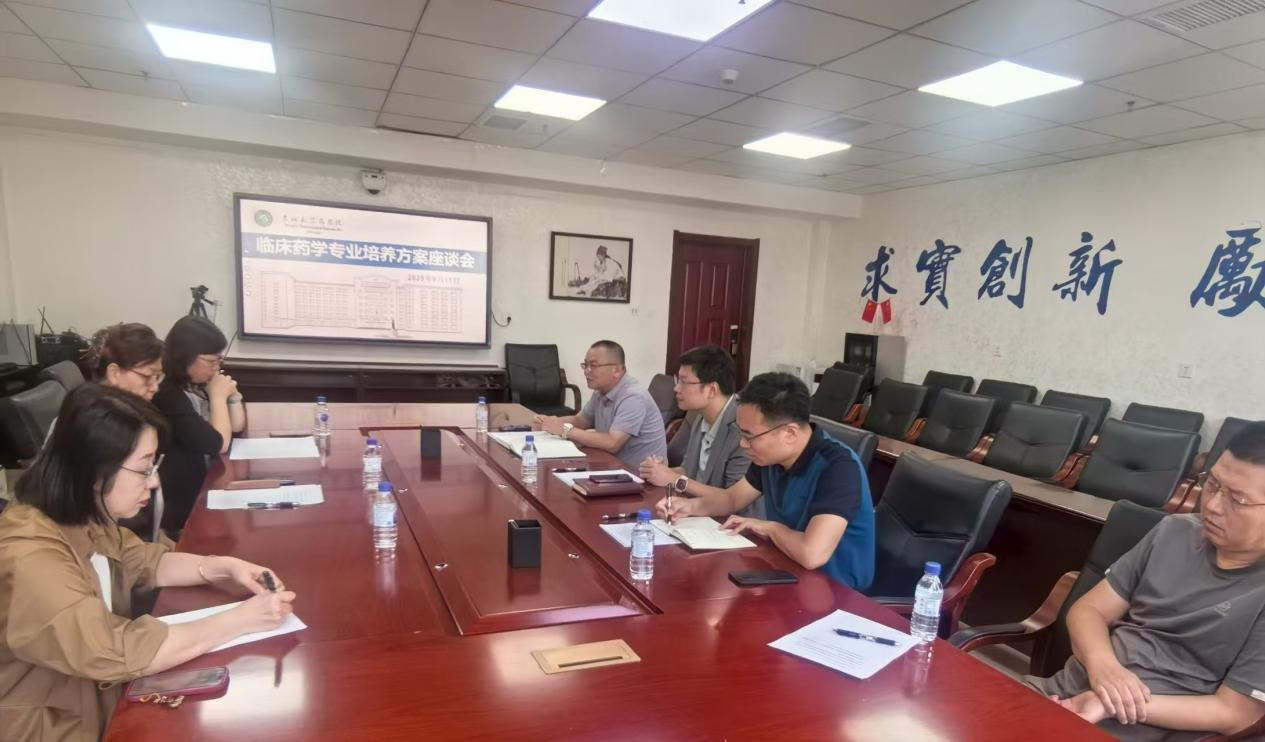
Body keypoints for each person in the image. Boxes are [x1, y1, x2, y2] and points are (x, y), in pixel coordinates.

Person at [0, 384, 295, 741]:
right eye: (143, 469)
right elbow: (113, 650)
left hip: (99, 699)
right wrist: (240, 620)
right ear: (93, 470)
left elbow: (144, 561)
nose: (154, 481)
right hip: (55, 725)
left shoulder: (82, 512)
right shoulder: (30, 555)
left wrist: (224, 567)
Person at [1039, 421, 1265, 741]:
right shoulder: (1174, 531)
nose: (1213, 506)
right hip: (1060, 696)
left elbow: (1235, 714)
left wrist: (1109, 702)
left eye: (1238, 500)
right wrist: (1104, 667)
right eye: (1212, 484)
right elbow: (1088, 610)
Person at [654, 372, 874, 589]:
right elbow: (732, 499)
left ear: (789, 433)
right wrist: (689, 507)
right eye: (741, 434)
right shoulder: (771, 457)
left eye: (749, 436)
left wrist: (770, 528)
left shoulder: (839, 467)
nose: (743, 444)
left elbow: (812, 554)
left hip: (836, 591)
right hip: (785, 572)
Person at [639, 345, 757, 516]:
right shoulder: (699, 415)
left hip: (731, 521)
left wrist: (675, 480)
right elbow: (689, 470)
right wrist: (659, 471)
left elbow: (734, 499)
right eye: (677, 380)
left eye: (684, 382)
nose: (676, 388)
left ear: (712, 390)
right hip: (696, 511)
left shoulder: (743, 427)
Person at [152, 316, 245, 532]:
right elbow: (218, 443)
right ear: (185, 356)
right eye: (211, 361)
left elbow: (237, 428)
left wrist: (232, 397)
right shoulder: (167, 393)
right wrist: (218, 396)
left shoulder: (194, 384)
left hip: (204, 481)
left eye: (219, 360)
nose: (216, 367)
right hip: (183, 500)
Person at [83, 323, 168, 542]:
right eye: (147, 377)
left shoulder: (133, 417)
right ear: (114, 373)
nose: (155, 387)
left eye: (158, 377)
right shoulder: (89, 424)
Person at [534, 340, 666, 469]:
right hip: (610, 465)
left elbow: (612, 443)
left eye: (593, 366)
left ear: (617, 370)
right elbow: (580, 420)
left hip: (640, 476)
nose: (587, 371)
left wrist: (565, 430)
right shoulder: (600, 391)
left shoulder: (633, 397)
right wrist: (550, 422)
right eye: (585, 365)